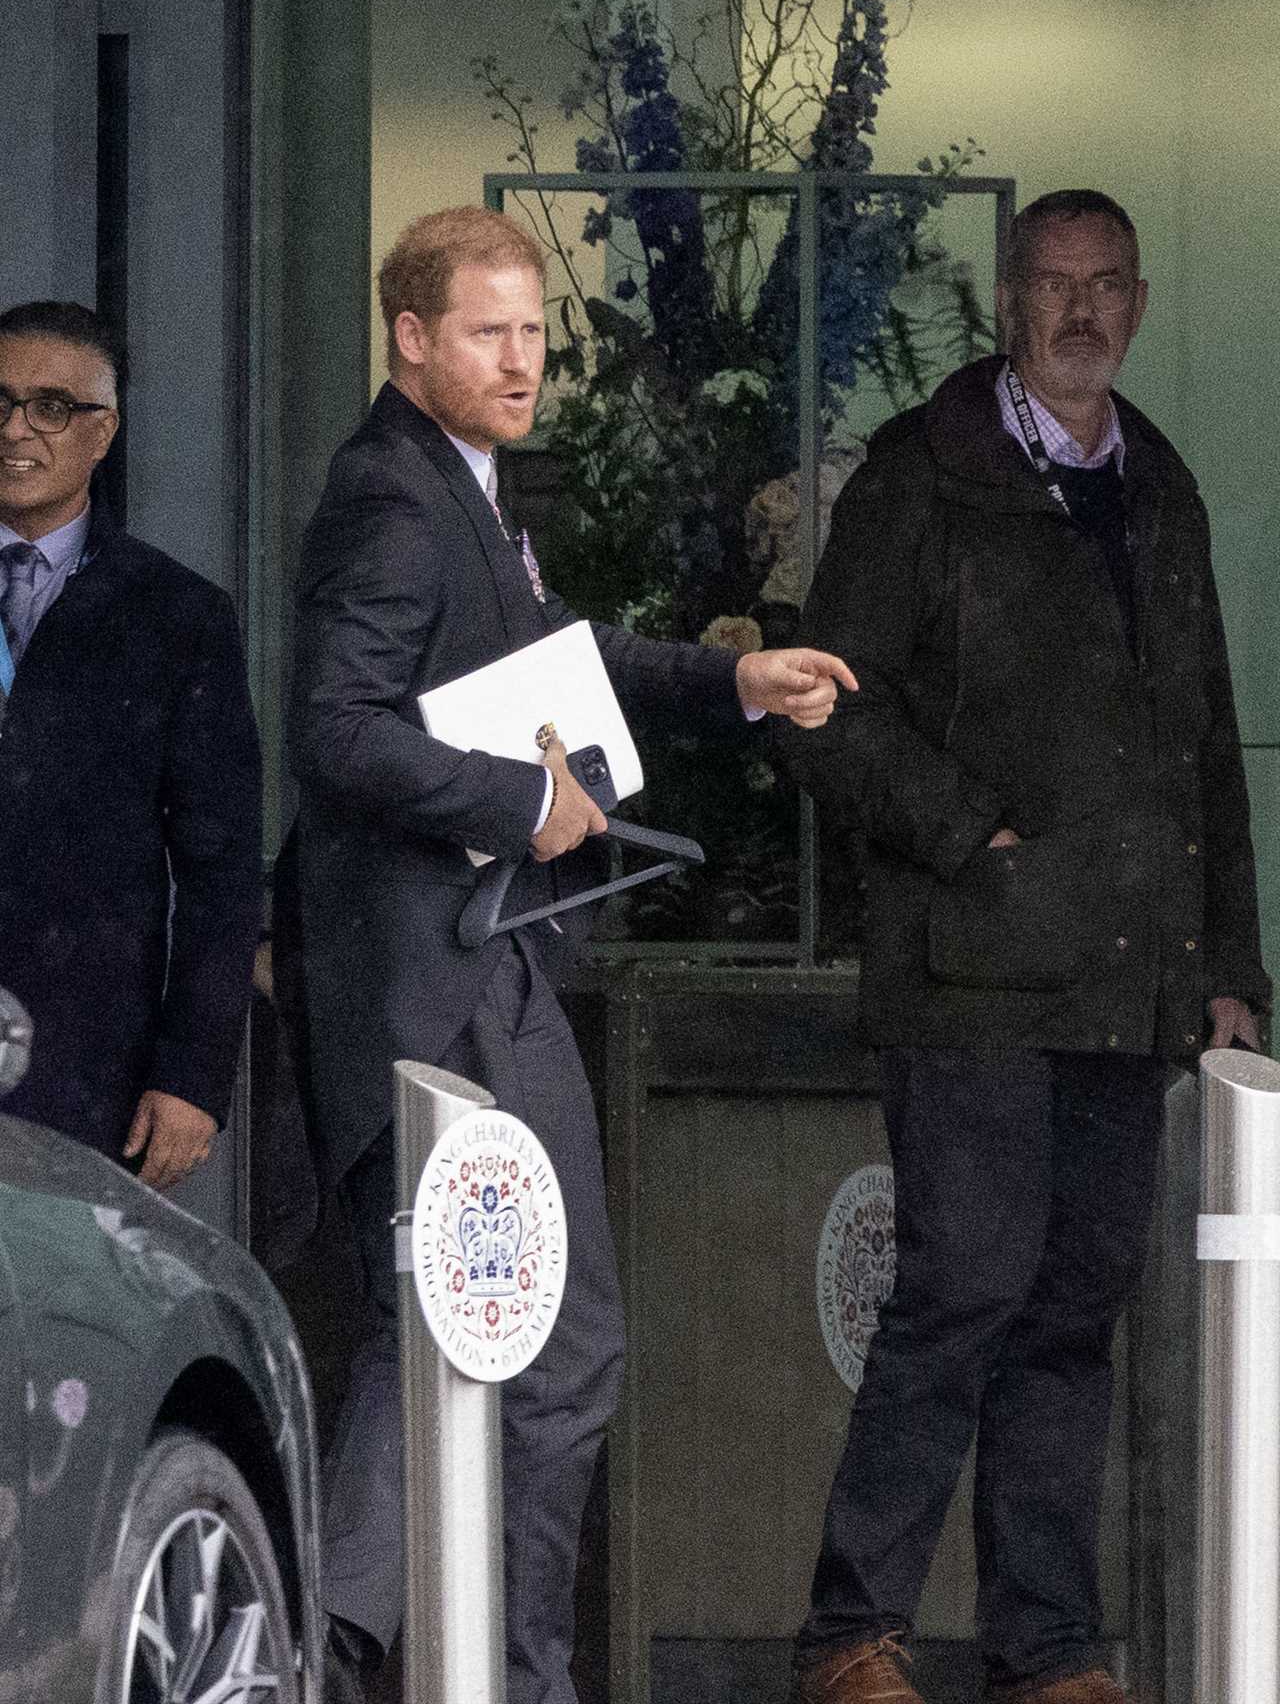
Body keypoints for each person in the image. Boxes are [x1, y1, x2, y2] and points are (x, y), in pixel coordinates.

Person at [286, 204, 857, 1704]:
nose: (525, 359)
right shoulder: (394, 501)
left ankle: (362, 1654)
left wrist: (728, 677)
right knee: (539, 1343)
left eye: (536, 331)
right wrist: (522, 799)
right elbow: (335, 733)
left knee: (481, 1338)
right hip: (446, 982)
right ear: (411, 339)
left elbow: (560, 667)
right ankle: (435, 1666)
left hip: (478, 968)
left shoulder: (460, 483)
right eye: (489, 331)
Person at [778, 190, 1270, 1704]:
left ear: (1137, 301)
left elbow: (1203, 754)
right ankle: (853, 1636)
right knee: (961, 1296)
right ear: (1007, 301)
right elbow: (821, 706)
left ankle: (1046, 1644)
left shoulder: (1161, 483)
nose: (1079, 312)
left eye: (1106, 285)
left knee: (1072, 1315)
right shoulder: (923, 480)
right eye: (1052, 285)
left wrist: (1233, 967)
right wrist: (963, 825)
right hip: (972, 976)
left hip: (1124, 985)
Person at [0, 301, 262, 1189]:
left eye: (51, 407)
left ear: (102, 430)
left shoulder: (178, 617)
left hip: (87, 1070)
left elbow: (221, 873)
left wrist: (191, 1077)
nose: (16, 431)